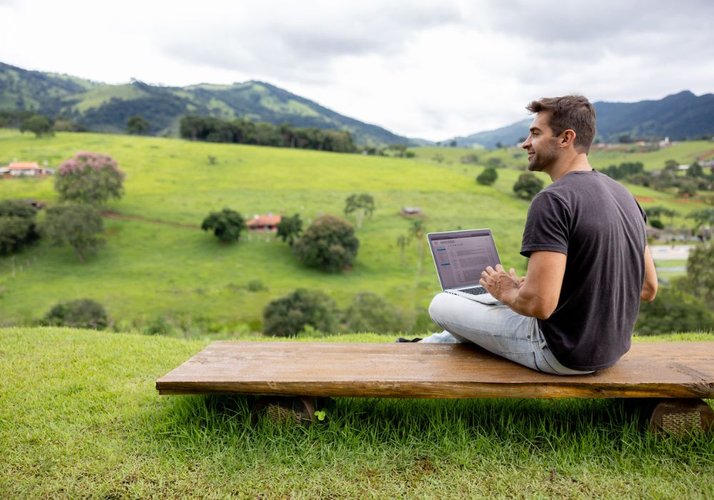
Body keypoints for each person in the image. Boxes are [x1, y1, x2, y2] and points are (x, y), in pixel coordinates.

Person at [423, 95, 658, 375]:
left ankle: (445, 338)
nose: (525, 143)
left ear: (565, 138)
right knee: (490, 305)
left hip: (559, 352)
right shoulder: (624, 195)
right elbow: (647, 288)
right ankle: (452, 338)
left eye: (535, 133)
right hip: (610, 352)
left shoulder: (554, 200)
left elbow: (539, 305)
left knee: (442, 303)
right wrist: (535, 286)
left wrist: (507, 291)